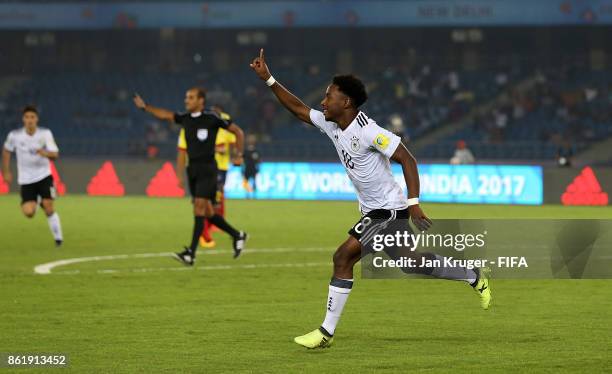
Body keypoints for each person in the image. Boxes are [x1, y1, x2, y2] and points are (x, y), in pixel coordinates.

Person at [250, 49, 491, 349]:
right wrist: (269, 79)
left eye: (329, 96)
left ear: (346, 102)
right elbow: (298, 109)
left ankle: (325, 332)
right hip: (377, 210)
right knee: (410, 263)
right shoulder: (331, 123)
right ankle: (472, 275)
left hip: (386, 212)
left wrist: (414, 202)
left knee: (342, 257)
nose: (323, 102)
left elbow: (407, 158)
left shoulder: (369, 131)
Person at [133, 88, 248, 265]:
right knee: (208, 212)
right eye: (186, 97)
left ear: (201, 101)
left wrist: (239, 155)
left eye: (191, 98)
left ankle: (190, 253)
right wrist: (145, 107)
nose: (187, 100)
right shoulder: (185, 119)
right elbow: (165, 115)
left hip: (208, 169)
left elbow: (238, 132)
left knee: (199, 209)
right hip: (192, 169)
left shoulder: (212, 118)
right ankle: (237, 235)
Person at [176, 104, 239, 248]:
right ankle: (206, 234)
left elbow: (233, 139)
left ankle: (211, 231)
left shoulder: (223, 121)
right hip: (199, 167)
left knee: (211, 201)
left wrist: (236, 155)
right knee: (203, 202)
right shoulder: (193, 122)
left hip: (218, 167)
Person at [2, 105, 64, 247]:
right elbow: (6, 151)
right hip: (26, 179)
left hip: (44, 176)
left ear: (37, 119)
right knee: (29, 213)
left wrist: (45, 153)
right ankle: (36, 201)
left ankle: (58, 239)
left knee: (49, 207)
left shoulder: (45, 134)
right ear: (23, 119)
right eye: (27, 117)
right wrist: (6, 171)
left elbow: (55, 154)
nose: (30, 120)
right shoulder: (15, 135)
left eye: (32, 117)